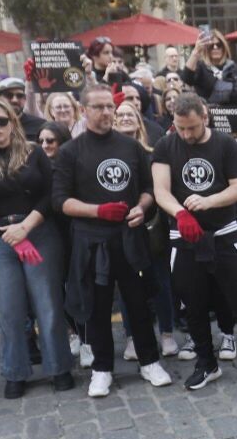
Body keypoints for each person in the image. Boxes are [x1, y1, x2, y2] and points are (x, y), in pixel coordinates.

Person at [54, 85, 171, 397]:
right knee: (96, 307)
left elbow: (148, 188)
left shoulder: (130, 147)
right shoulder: (70, 152)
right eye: (99, 107)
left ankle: (150, 361)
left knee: (138, 302)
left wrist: (141, 208)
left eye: (110, 107)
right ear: (84, 110)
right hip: (91, 241)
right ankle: (102, 368)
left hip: (129, 237)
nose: (106, 113)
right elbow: (61, 201)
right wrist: (98, 211)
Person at [151, 93, 237, 388]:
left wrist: (207, 202)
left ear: (204, 118)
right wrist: (180, 213)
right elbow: (161, 190)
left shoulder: (225, 144)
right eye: (180, 127)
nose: (186, 134)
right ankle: (207, 362)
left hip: (223, 233)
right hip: (184, 236)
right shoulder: (166, 145)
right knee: (193, 303)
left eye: (191, 127)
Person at [0, 97, 74, 398]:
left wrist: (26, 227)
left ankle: (59, 366)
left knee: (47, 304)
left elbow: (50, 194)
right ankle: (15, 370)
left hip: (38, 230)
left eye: (2, 120)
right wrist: (10, 232)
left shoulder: (34, 152)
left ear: (13, 121)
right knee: (9, 309)